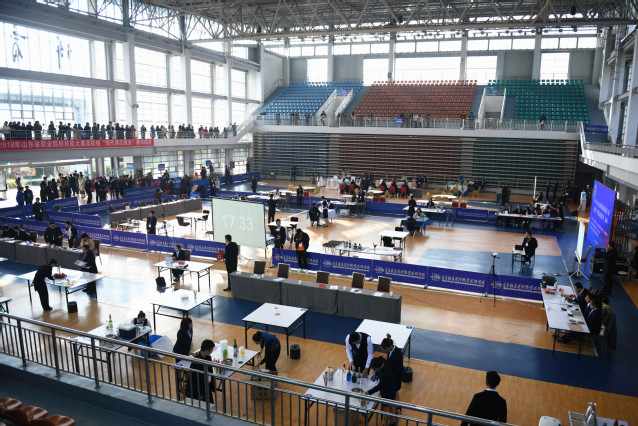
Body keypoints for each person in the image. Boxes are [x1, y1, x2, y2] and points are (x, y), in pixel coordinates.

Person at [380, 334, 404, 400]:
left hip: (396, 376)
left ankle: (396, 404)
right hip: (392, 374)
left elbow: (398, 369)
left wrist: (388, 375)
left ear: (390, 346)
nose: (385, 350)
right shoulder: (389, 350)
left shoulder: (398, 354)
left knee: (395, 392)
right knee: (395, 392)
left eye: (386, 348)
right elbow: (389, 362)